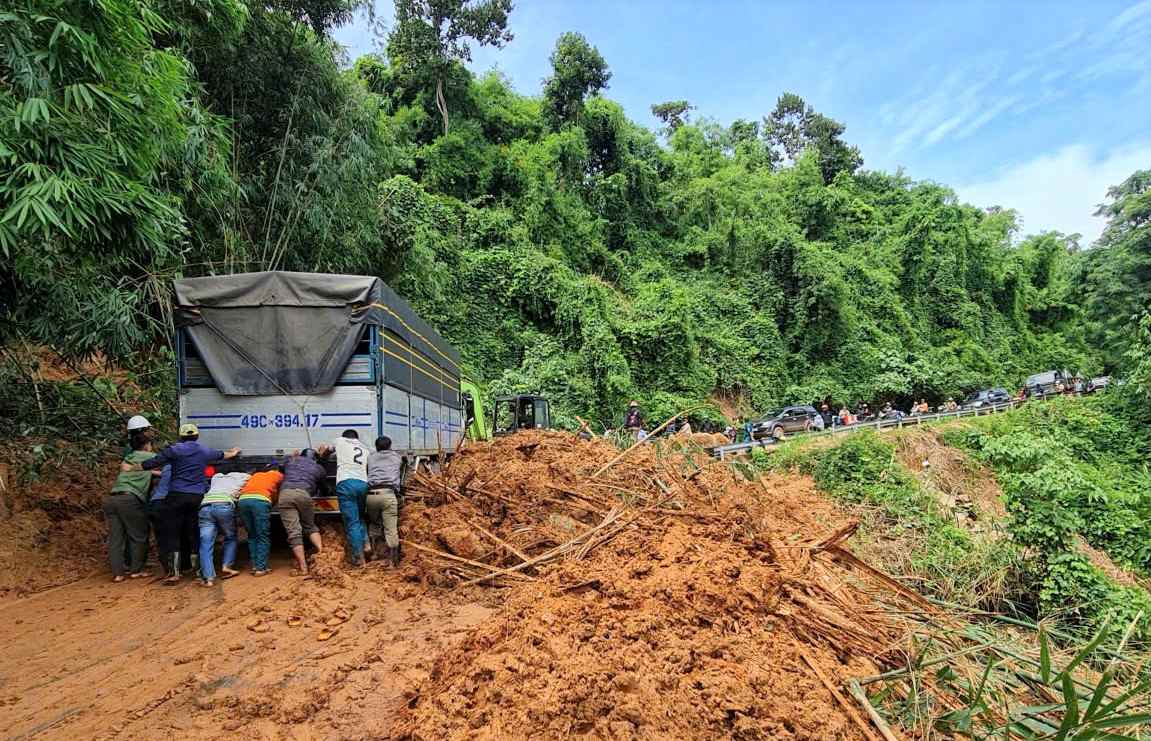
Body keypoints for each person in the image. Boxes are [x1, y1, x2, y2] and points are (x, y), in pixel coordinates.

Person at [140, 423, 240, 584]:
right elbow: (222, 455)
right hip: (196, 497)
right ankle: (199, 571)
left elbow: (154, 462)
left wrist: (138, 466)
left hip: (176, 496)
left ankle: (174, 573)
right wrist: (234, 452)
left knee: (172, 532)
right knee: (194, 532)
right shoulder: (203, 450)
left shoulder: (174, 450)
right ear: (197, 436)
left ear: (181, 436)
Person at [104, 435, 160, 582]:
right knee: (138, 535)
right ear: (147, 444)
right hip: (130, 499)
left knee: (116, 539)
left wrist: (150, 472)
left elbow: (136, 470)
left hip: (112, 498)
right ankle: (136, 570)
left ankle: (118, 574)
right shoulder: (151, 456)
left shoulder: (128, 458)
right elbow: (167, 469)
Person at [279, 448, 328, 576]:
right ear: (315, 458)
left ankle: (303, 567)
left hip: (285, 495)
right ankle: (322, 554)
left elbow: (280, 467)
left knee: (293, 532)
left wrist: (292, 456)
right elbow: (324, 487)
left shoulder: (291, 460)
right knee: (310, 526)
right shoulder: (318, 467)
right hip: (304, 494)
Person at [198, 470, 250, 586]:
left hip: (205, 506)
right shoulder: (245, 476)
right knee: (230, 537)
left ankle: (208, 578)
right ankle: (227, 566)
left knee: (205, 543)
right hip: (223, 504)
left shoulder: (217, 476)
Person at [329, 429, 369, 566]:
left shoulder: (340, 441)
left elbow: (325, 450)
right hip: (363, 483)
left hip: (346, 484)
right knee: (360, 516)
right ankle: (366, 543)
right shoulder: (365, 447)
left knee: (352, 522)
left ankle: (359, 558)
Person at [237, 464, 284, 576]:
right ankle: (261, 568)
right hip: (260, 502)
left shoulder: (256, 475)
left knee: (252, 535)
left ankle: (255, 566)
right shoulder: (277, 475)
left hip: (243, 501)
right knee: (262, 535)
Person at [366, 436, 403, 566]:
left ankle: (374, 554)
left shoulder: (370, 457)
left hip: (371, 495)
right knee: (391, 528)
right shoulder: (396, 457)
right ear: (390, 446)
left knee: (374, 524)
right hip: (388, 494)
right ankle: (393, 561)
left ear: (376, 447)